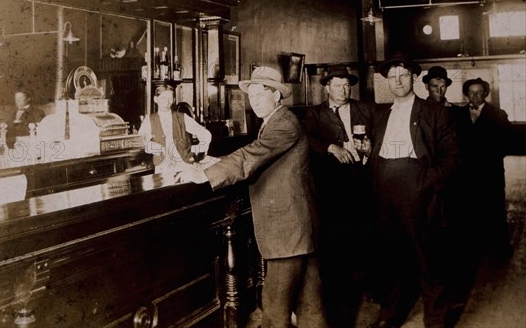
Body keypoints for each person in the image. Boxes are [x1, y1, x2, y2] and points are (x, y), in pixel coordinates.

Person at [177, 66, 327, 328]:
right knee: (310, 307)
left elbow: (252, 156)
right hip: (300, 231)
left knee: (274, 310)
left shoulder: (285, 123)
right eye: (252, 96)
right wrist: (216, 162)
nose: (254, 101)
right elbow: (257, 154)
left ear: (277, 96)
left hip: (287, 233)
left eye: (261, 95)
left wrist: (206, 174)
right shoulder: (276, 122)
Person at [367, 53, 459, 328]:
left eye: (403, 75)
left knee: (427, 257)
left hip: (417, 190)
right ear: (387, 81)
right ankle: (391, 313)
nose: (397, 81)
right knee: (391, 255)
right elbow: (378, 152)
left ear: (414, 77)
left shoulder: (435, 112)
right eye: (392, 77)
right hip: (385, 190)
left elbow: (453, 159)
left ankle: (435, 318)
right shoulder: (381, 114)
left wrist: (424, 183)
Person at [305, 64, 374, 328]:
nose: (343, 90)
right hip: (331, 186)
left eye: (346, 85)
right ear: (326, 88)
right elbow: (308, 138)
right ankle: (340, 289)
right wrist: (331, 147)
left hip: (363, 179)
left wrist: (369, 148)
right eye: (337, 86)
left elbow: (377, 136)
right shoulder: (315, 113)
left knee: (364, 232)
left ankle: (365, 283)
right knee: (336, 238)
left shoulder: (365, 108)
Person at [457, 78, 513, 257]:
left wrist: (489, 155)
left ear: (485, 93)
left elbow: (507, 142)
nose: (475, 95)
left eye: (479, 92)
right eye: (471, 92)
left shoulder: (498, 114)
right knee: (470, 208)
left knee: (494, 208)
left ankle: (500, 247)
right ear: (466, 94)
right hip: (466, 173)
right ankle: (475, 246)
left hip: (490, 172)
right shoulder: (457, 115)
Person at [138, 85, 211, 167]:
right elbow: (141, 141)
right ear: (155, 99)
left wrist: (198, 151)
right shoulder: (149, 120)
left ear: (174, 100)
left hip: (184, 164)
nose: (167, 102)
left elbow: (205, 134)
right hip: (162, 165)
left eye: (170, 98)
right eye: (163, 98)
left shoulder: (182, 117)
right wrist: (160, 149)